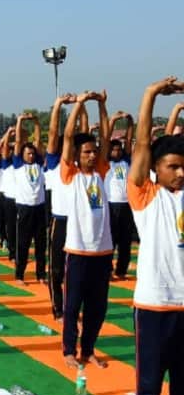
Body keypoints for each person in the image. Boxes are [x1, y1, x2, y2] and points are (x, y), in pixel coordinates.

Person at [128, 76, 184, 395]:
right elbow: (144, 144)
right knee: (149, 387)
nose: (180, 174)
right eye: (173, 167)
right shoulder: (145, 196)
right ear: (157, 170)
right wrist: (150, 95)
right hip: (152, 305)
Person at [60, 90, 113, 369]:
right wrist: (79, 103)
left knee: (98, 307)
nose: (92, 155)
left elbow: (106, 136)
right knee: (72, 306)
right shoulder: (71, 174)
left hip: (102, 251)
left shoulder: (102, 172)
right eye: (87, 152)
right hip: (79, 250)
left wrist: (102, 105)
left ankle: (88, 348)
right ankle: (69, 349)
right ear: (78, 156)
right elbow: (68, 137)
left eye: (94, 152)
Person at [45, 93, 77, 320]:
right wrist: (58, 106)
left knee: (76, 271)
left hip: (79, 222)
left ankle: (74, 308)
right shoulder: (55, 162)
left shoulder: (82, 165)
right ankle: (58, 309)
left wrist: (82, 106)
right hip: (60, 220)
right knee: (56, 270)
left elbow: (78, 131)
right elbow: (54, 133)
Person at [12, 114, 48, 285]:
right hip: (24, 208)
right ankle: (19, 275)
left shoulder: (39, 164)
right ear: (23, 155)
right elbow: (19, 142)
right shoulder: (18, 164)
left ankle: (41, 274)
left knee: (41, 244)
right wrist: (20, 121)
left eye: (33, 154)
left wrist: (36, 123)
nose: (31, 156)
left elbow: (38, 141)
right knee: (23, 244)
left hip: (39, 207)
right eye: (28, 154)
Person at [106, 112, 136, 280]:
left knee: (125, 241)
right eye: (114, 149)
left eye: (118, 149)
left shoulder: (126, 160)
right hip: (111, 204)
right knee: (111, 239)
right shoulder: (105, 161)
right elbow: (105, 139)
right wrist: (113, 121)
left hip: (126, 204)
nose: (117, 152)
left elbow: (129, 140)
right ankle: (108, 269)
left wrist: (130, 122)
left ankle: (121, 270)